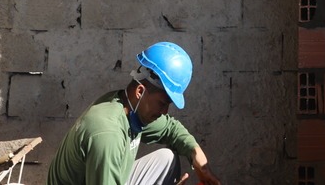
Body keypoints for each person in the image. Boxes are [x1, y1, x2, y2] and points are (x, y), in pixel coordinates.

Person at [47, 41, 222, 185]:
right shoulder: (108, 134)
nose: (165, 111)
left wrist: (197, 158)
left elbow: (171, 129)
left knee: (166, 159)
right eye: (162, 103)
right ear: (140, 91)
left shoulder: (130, 108)